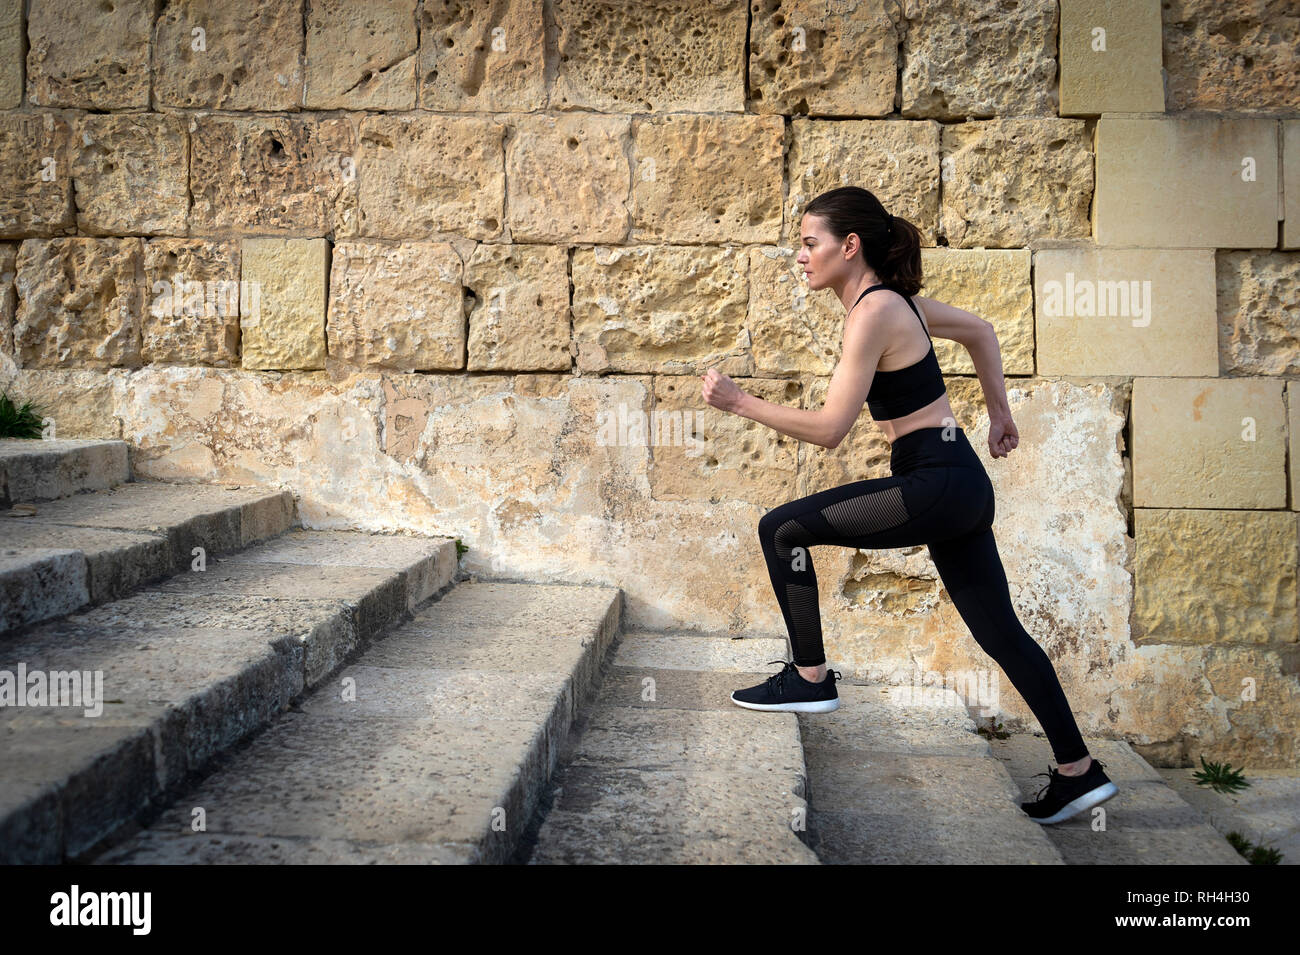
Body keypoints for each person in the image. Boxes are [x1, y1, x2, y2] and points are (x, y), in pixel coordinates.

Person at [699, 186, 1117, 825]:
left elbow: (831, 428)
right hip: (960, 483)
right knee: (1001, 633)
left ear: (850, 246)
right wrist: (998, 416)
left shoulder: (874, 311)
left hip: (935, 481)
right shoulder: (900, 305)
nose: (801, 257)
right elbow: (981, 330)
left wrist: (738, 403)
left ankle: (809, 678)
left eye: (810, 244)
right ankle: (1078, 772)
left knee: (781, 530)